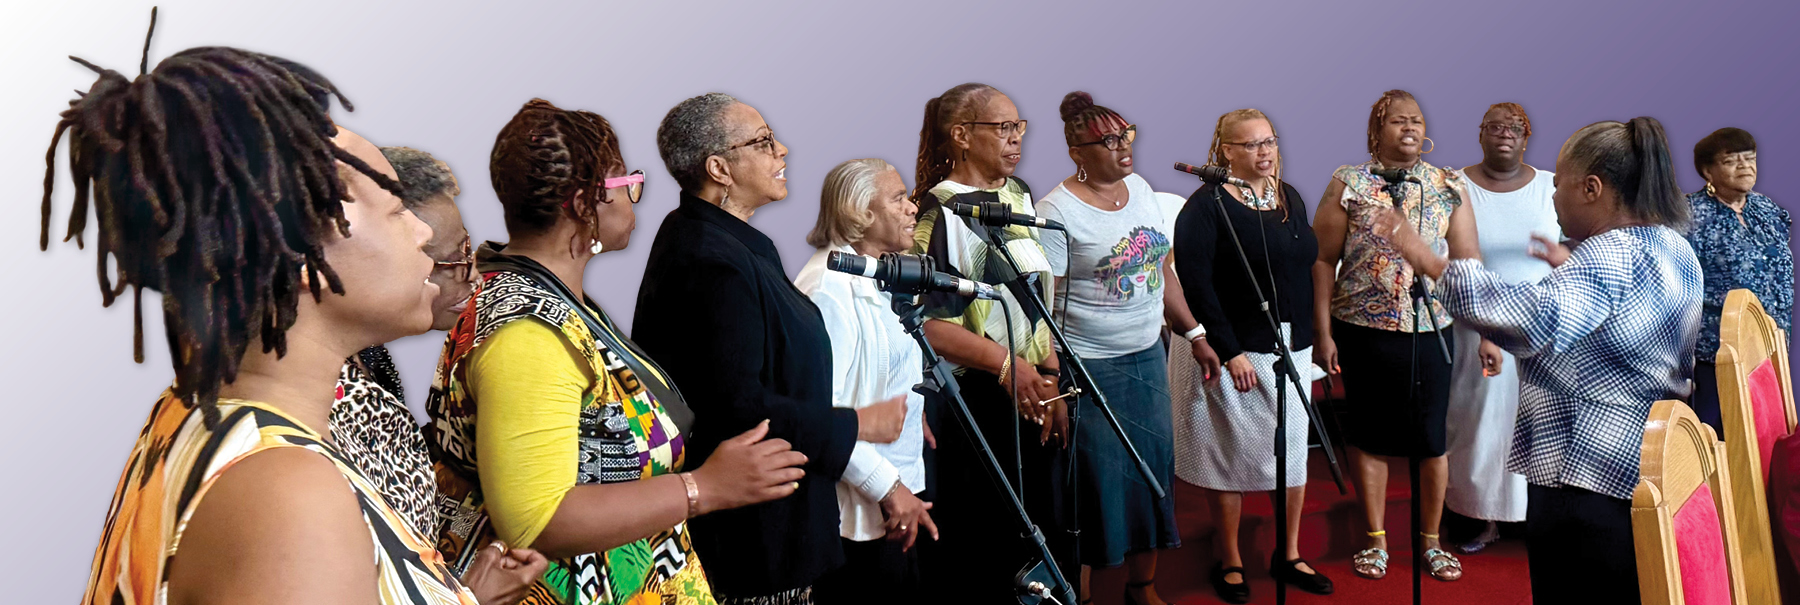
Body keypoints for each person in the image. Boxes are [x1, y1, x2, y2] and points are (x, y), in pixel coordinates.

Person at [63, 46, 478, 604]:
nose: (424, 235)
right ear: (304, 255)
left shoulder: (194, 416)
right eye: (397, 210)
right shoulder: (286, 497)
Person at [427, 99, 810, 605]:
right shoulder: (525, 331)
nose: (634, 196)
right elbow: (535, 519)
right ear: (585, 205)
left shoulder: (548, 301)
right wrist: (703, 488)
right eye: (624, 184)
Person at [1378, 116, 1701, 605]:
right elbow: (1622, 319)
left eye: (1561, 184)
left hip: (1587, 479)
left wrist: (1426, 258)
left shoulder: (1608, 255)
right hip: (1643, 469)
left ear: (1592, 188)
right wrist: (1570, 268)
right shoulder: (1673, 246)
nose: (1552, 197)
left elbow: (1528, 322)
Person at [634, 93, 907, 605]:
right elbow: (735, 408)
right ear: (720, 168)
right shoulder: (708, 259)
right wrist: (858, 423)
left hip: (776, 522)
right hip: (750, 539)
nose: (782, 149)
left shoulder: (729, 242)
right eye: (761, 141)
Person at [325, 146, 549, 605]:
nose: (472, 276)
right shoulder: (318, 406)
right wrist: (466, 598)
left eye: (467, 250)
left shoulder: (370, 357)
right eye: (444, 260)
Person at [906, 82, 1070, 601]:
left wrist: (1049, 376)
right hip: (976, 399)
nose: (1017, 138)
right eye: (1003, 127)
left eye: (1019, 126)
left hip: (1031, 390)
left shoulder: (1016, 195)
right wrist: (1007, 368)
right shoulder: (938, 214)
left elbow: (1034, 298)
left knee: (1042, 530)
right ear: (961, 135)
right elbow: (927, 324)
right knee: (991, 543)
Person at [1312, 89, 1478, 582]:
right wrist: (1323, 333)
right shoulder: (1349, 182)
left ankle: (1430, 542)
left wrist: (1487, 332)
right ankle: (1375, 540)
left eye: (1418, 121)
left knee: (1431, 439)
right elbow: (1322, 260)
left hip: (1430, 329)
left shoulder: (1448, 184)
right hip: (1362, 329)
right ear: (1376, 130)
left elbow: (1469, 264)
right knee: (1370, 434)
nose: (1410, 128)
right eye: (1399, 121)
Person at [1173, 108, 1332, 603]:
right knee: (1228, 454)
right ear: (1226, 151)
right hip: (1234, 350)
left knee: (1292, 458)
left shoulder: (1289, 197)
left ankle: (1288, 554)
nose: (1264, 152)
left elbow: (1304, 266)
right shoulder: (1205, 206)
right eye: (1250, 145)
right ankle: (1231, 560)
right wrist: (1228, 347)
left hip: (1290, 346)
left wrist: (1316, 337)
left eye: (1269, 141)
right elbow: (1195, 283)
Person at [1034, 92, 1180, 605]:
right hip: (1090, 369)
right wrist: (1052, 375)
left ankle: (1143, 587)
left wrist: (1195, 334)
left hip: (1147, 356)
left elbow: (1162, 271)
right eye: (1109, 140)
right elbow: (1042, 304)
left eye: (1127, 135)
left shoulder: (1140, 189)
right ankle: (1085, 595)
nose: (1123, 148)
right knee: (1096, 487)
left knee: (1152, 471)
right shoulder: (1055, 210)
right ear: (1078, 150)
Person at [797, 159, 937, 605]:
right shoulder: (828, 288)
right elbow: (827, 415)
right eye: (898, 198)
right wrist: (888, 489)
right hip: (864, 504)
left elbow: (880, 374)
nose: (912, 207)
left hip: (899, 484)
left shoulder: (880, 273)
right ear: (860, 213)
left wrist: (914, 411)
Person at [1443, 104, 1560, 554]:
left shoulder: (1551, 186)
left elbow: (1570, 246)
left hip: (1540, 326)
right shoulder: (1456, 185)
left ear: (1526, 138)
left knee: (1533, 419)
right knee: (1478, 420)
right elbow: (1449, 256)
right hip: (1475, 326)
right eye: (1495, 127)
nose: (1504, 135)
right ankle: (1476, 515)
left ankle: (1524, 515)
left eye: (1514, 128)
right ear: (1480, 134)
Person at [1684, 127, 1793, 434]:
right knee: (1721, 438)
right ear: (1708, 171)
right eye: (1732, 160)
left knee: (1768, 438)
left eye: (1751, 158)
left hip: (1769, 351)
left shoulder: (1768, 210)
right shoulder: (1689, 214)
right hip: (1715, 355)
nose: (1745, 166)